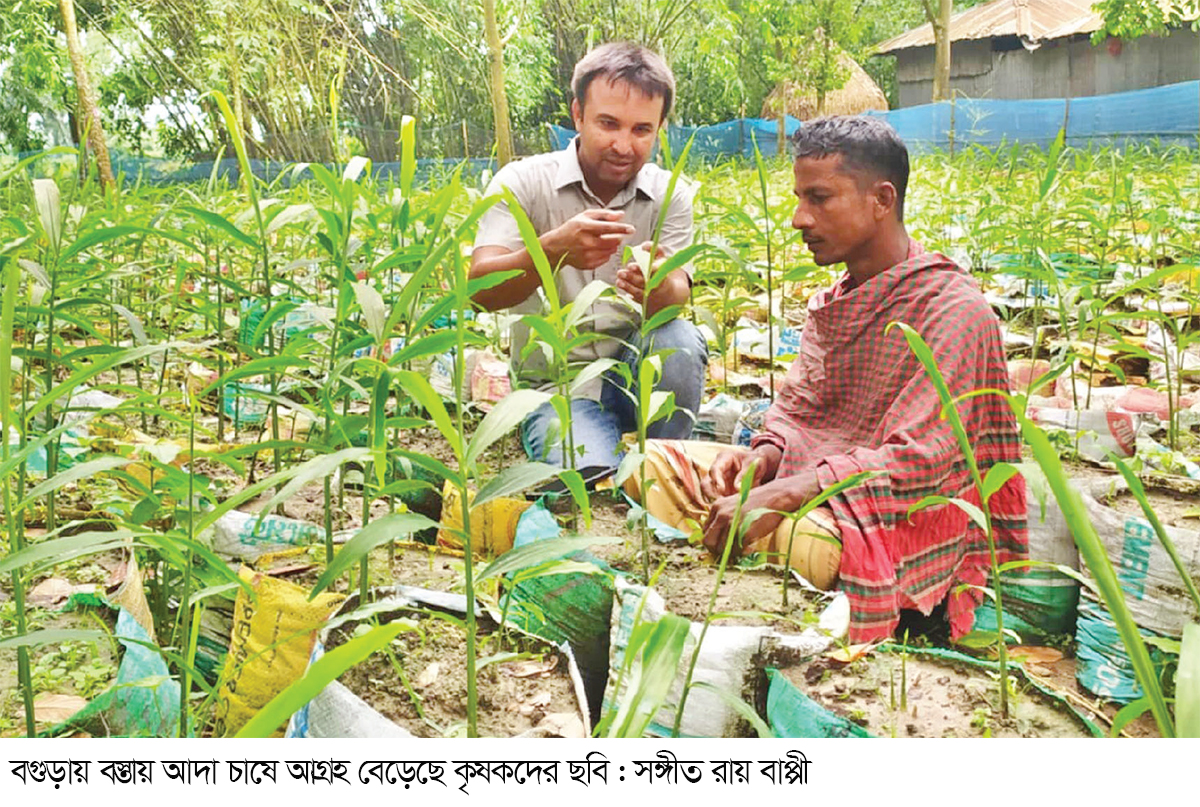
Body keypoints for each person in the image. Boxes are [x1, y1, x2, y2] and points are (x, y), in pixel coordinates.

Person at [627, 116, 1027, 642]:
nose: (799, 218)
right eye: (799, 198)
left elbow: (919, 461)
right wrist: (762, 458)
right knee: (646, 463)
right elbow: (798, 411)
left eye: (819, 198)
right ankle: (742, 535)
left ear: (882, 200)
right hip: (815, 485)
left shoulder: (954, 309)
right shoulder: (835, 301)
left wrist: (786, 493)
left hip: (890, 513)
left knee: (804, 541)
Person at [470, 42, 707, 484]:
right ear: (577, 114)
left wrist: (659, 289)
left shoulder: (671, 194)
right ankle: (590, 443)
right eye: (608, 123)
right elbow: (479, 293)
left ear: (660, 129)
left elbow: (679, 296)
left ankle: (664, 455)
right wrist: (551, 252)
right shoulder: (523, 183)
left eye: (642, 129)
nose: (623, 145)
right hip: (558, 387)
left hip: (637, 376)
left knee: (680, 338)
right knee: (585, 479)